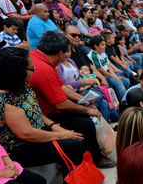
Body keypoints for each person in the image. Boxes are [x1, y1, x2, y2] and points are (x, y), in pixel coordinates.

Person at [0, 47, 88, 184]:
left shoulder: (21, 87)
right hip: (16, 147)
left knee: (80, 126)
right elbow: (27, 134)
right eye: (31, 68)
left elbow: (36, 112)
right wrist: (62, 135)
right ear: (16, 71)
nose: (34, 71)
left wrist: (54, 126)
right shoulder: (0, 98)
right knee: (74, 144)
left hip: (34, 134)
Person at [28, 32, 116, 169]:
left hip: (51, 109)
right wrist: (87, 109)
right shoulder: (44, 69)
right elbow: (61, 104)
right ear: (59, 53)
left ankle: (92, 156)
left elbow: (62, 87)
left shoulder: (37, 57)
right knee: (86, 124)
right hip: (48, 114)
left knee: (92, 111)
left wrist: (83, 100)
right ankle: (95, 158)